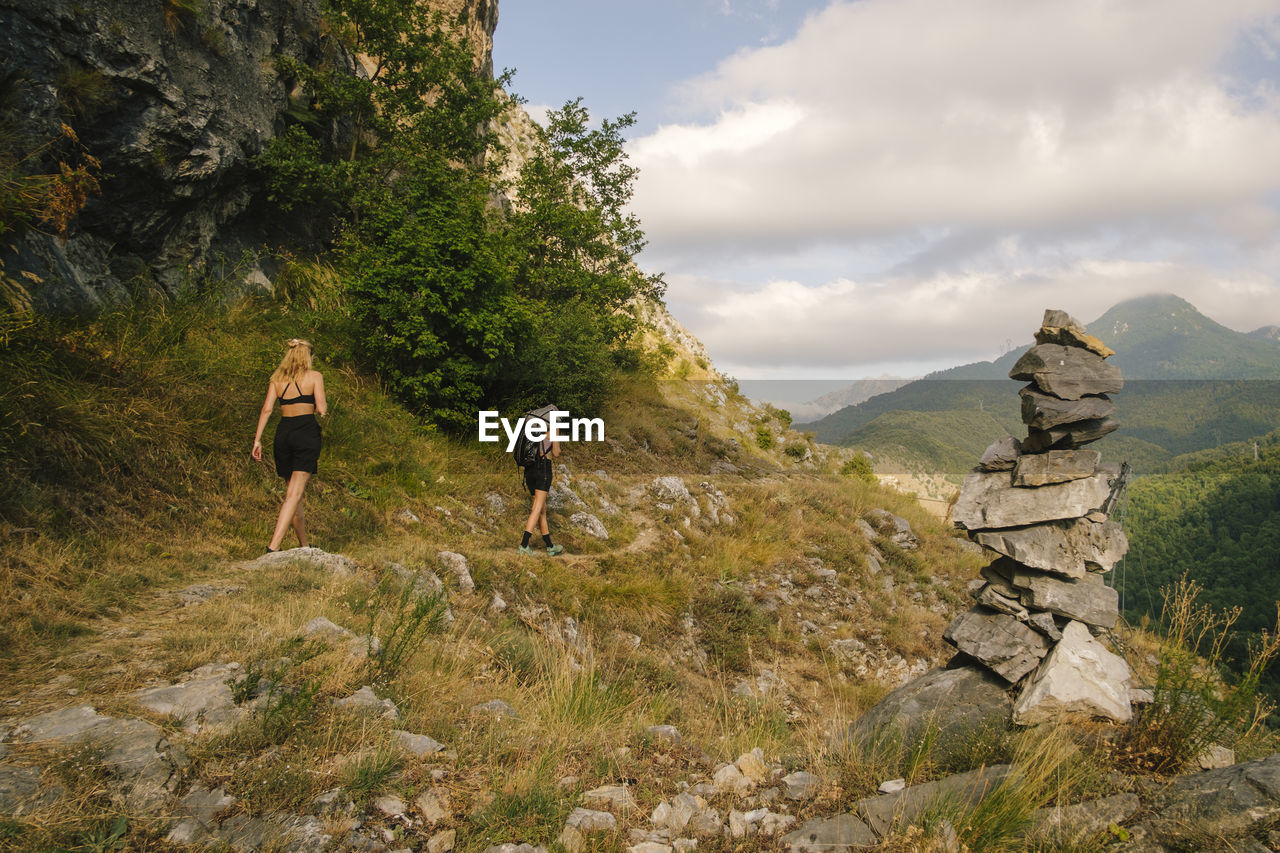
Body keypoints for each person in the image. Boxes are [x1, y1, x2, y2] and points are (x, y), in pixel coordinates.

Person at [251, 338, 327, 553]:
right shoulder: (314, 377)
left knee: (295, 496)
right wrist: (322, 410)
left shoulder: (277, 379)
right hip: (305, 433)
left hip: (283, 433)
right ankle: (273, 548)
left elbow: (266, 410)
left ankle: (304, 546)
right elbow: (321, 407)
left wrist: (257, 440)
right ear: (308, 358)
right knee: (293, 495)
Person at [519, 425, 563, 556]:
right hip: (543, 469)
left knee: (542, 509)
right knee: (537, 508)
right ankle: (523, 545)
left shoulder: (533, 429)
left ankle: (550, 546)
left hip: (530, 471)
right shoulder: (553, 429)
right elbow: (556, 452)